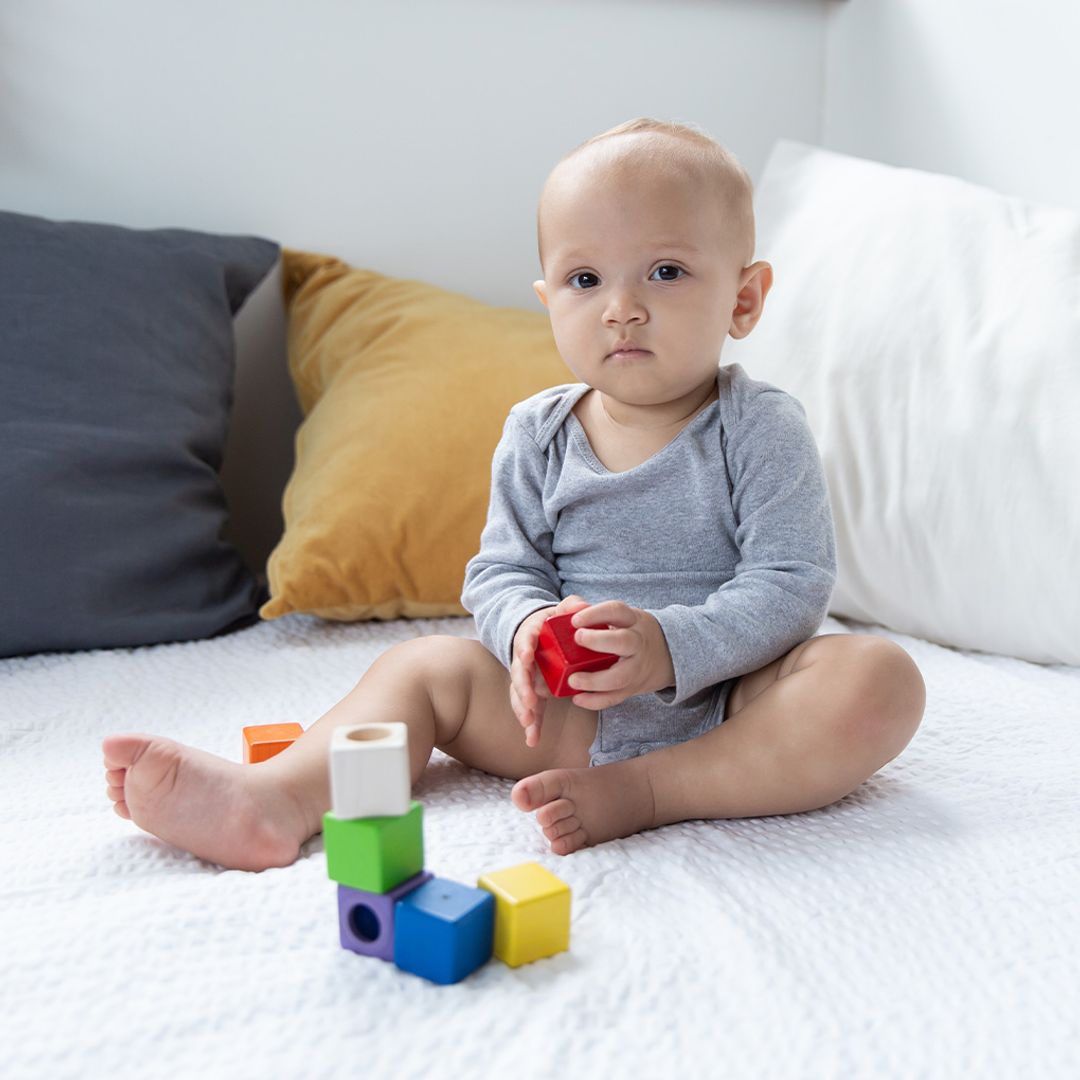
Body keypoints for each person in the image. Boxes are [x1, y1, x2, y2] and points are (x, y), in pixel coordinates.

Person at [101, 117, 926, 871]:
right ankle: (277, 797)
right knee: (421, 667)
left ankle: (653, 790)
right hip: (561, 715)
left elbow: (791, 582)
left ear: (743, 299)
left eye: (666, 272)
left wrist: (667, 649)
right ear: (549, 303)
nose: (622, 309)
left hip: (731, 710)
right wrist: (528, 628)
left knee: (877, 678)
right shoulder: (538, 432)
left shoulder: (760, 426)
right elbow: (501, 572)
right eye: (585, 279)